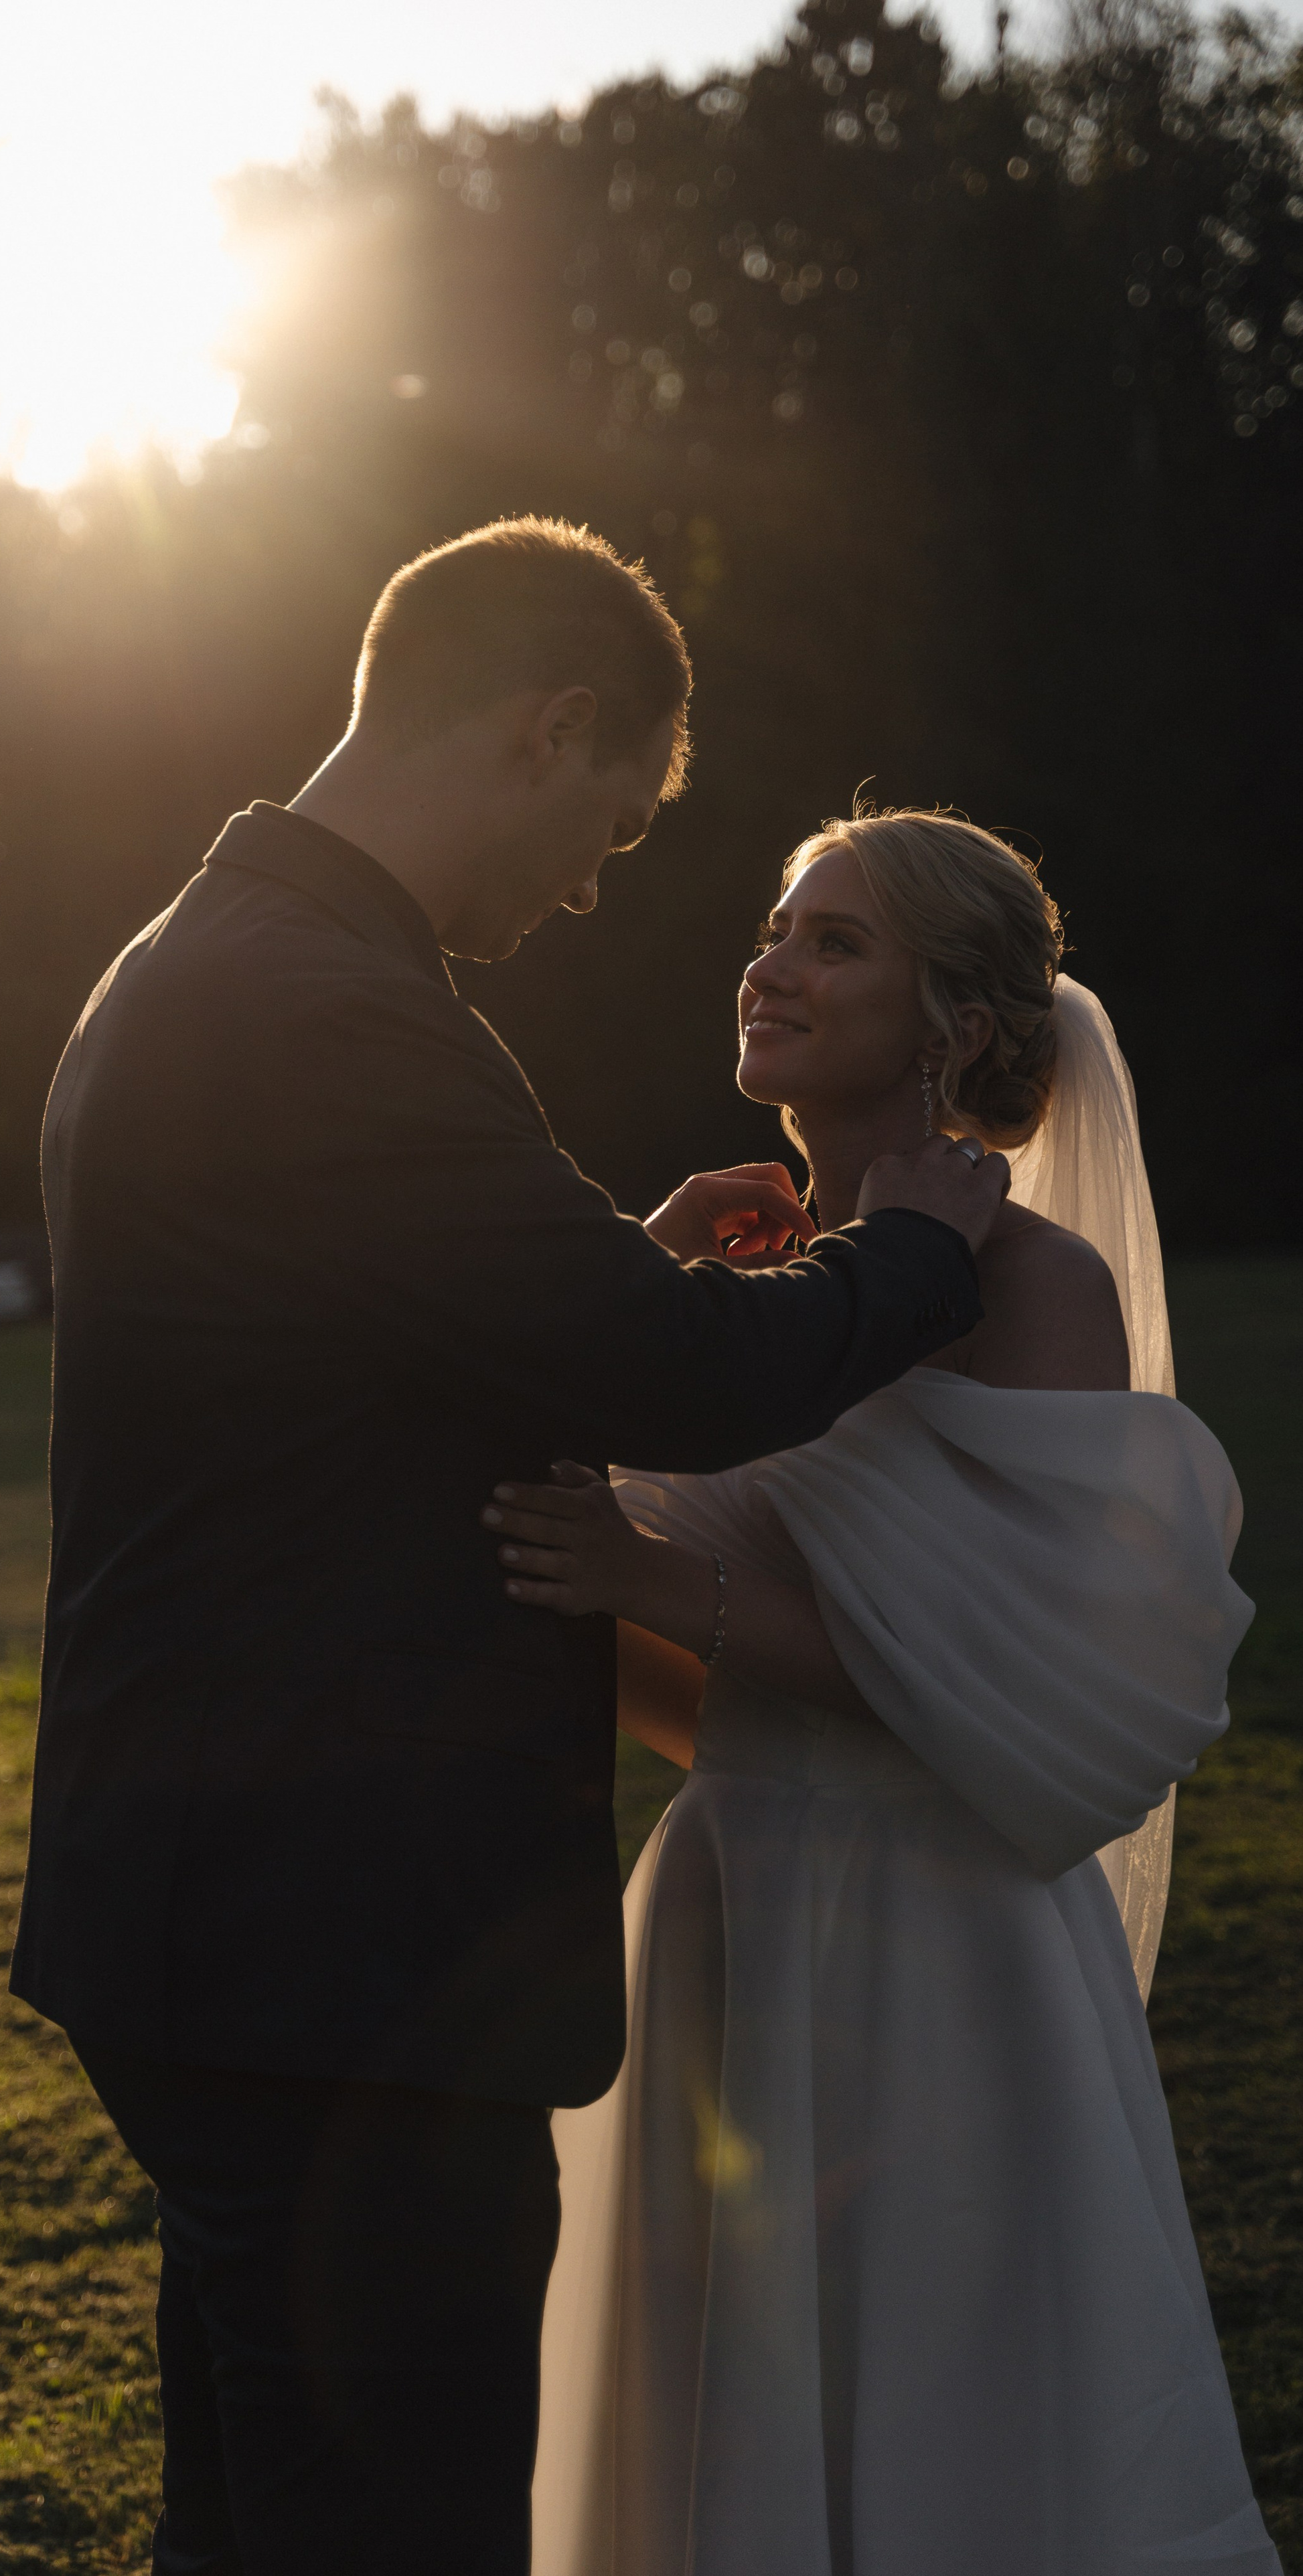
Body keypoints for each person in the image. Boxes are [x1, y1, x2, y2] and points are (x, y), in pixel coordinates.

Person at [9, 521, 1009, 2576]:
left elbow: (336, 1373)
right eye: (620, 828)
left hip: (230, 1910)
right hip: (332, 1940)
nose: (592, 887)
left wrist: (588, 1294)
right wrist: (914, 1246)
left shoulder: (218, 957)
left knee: (272, 2505)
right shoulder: (326, 1007)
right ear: (553, 731)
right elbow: (671, 1372)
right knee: (390, 2525)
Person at [491, 809, 1277, 2574]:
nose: (771, 960)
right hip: (728, 1897)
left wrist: (665, 1582)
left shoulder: (1031, 1289)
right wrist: (635, 1280)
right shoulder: (740, 1284)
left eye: (835, 939)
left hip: (942, 1940)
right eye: (778, 926)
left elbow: (1019, 1688)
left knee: (951, 2419)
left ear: (961, 1027)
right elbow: (626, 1636)